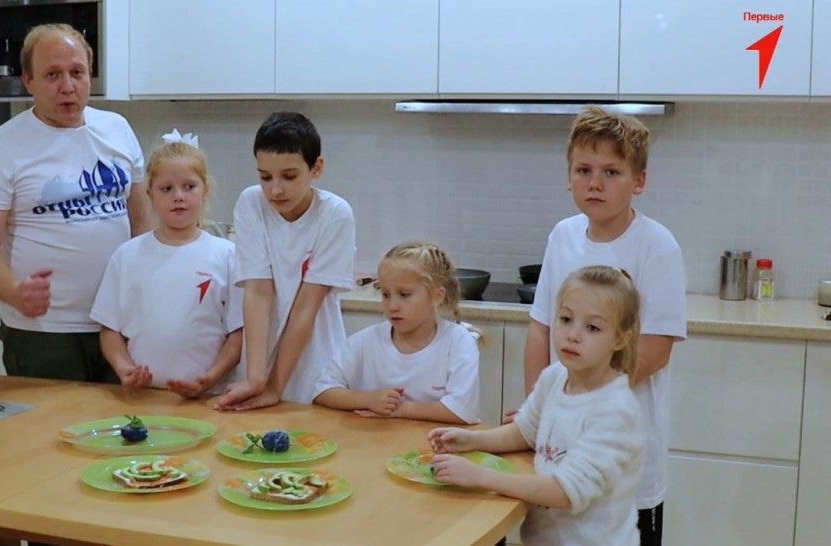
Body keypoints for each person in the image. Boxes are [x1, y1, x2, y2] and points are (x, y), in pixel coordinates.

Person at [519, 105, 686, 545]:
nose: (595, 183)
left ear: (639, 181)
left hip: (626, 463)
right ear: (569, 176)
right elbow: (540, 329)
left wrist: (579, 406)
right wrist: (540, 409)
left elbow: (655, 350)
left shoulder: (656, 246)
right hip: (558, 449)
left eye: (611, 172)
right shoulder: (563, 235)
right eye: (584, 170)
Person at [0, 23, 152, 383]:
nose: (67, 86)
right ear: (28, 81)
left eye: (77, 73)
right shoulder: (0, 149)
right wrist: (15, 292)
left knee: (125, 419)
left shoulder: (117, 130)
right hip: (44, 334)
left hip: (118, 325)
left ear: (90, 75)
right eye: (52, 75)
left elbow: (141, 224)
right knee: (52, 421)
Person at [430, 265, 645, 546]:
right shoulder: (556, 377)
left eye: (592, 327)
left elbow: (565, 493)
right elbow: (524, 432)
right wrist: (472, 441)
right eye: (566, 319)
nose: (573, 334)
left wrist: (479, 476)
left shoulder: (615, 411)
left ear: (620, 338)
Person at [215, 112, 356, 410]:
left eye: (289, 176)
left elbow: (306, 305)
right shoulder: (251, 203)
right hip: (258, 363)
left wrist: (274, 387)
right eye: (265, 177)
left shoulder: (335, 215)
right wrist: (256, 378)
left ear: (316, 168)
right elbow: (258, 291)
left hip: (316, 365)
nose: (275, 189)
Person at [90, 129, 243, 396]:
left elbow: (238, 333)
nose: (178, 196)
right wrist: (125, 369)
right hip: (144, 397)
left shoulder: (227, 255)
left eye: (189, 186)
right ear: (150, 193)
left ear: (205, 190)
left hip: (210, 397)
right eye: (166, 189)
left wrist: (208, 379)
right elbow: (110, 329)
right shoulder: (127, 255)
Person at [312, 241, 480, 424]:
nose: (392, 306)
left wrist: (399, 409)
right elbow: (322, 390)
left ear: (437, 296)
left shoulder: (457, 342)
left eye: (404, 295)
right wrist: (367, 399)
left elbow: (462, 410)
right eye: (386, 295)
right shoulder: (365, 341)